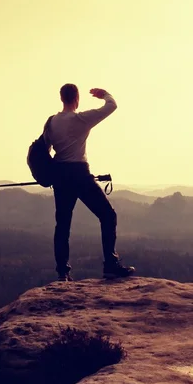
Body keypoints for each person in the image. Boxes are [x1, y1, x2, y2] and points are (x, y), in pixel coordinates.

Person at [43, 83, 135, 281]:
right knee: (108, 215)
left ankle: (63, 273)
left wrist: (51, 173)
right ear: (77, 99)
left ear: (61, 98)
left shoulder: (51, 122)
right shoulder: (81, 119)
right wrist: (105, 94)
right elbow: (111, 106)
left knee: (63, 225)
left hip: (60, 175)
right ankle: (110, 264)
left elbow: (45, 150)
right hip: (80, 174)